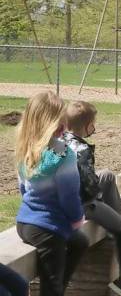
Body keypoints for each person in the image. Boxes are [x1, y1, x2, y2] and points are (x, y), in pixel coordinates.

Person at [64, 101, 121, 296]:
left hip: (68, 195)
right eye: (94, 123)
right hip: (81, 203)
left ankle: (119, 217)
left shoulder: (63, 140)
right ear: (88, 125)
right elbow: (88, 188)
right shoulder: (81, 150)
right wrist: (99, 197)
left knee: (106, 174)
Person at [15, 91, 88, 296]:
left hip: (25, 223)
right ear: (57, 124)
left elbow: (23, 189)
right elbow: (69, 197)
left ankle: (59, 288)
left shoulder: (26, 148)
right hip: (48, 229)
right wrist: (76, 219)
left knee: (81, 242)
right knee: (52, 284)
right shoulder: (63, 155)